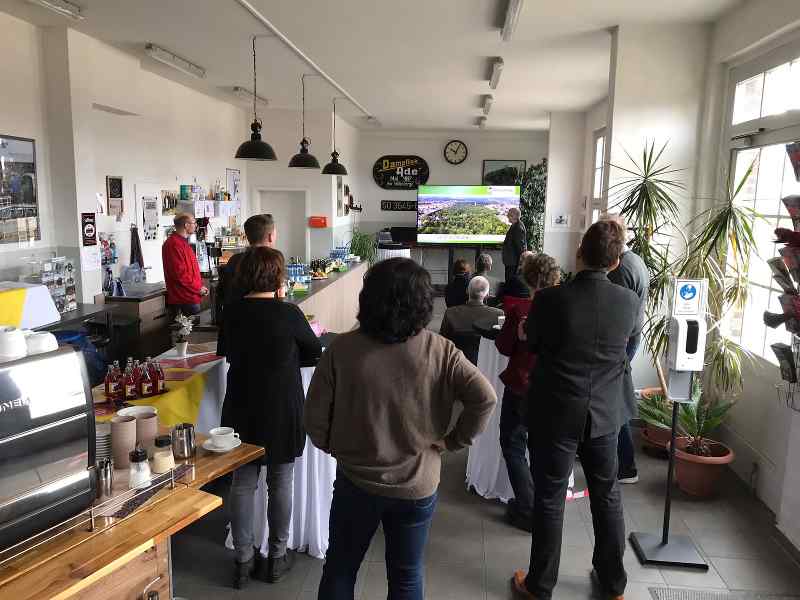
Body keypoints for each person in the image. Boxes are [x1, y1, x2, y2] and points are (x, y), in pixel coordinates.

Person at [305, 257, 497, 600]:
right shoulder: (441, 350)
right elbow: (485, 398)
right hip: (417, 484)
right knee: (406, 576)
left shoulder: (342, 350)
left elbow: (314, 419)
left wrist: (336, 446)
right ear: (423, 303)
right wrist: (453, 441)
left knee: (340, 570)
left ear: (368, 299)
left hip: (356, 481)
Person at [512, 220, 638, 600]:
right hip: (605, 414)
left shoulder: (551, 299)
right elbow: (625, 348)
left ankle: (540, 585)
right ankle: (613, 584)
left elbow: (534, 344)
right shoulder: (629, 302)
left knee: (550, 497)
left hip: (556, 411)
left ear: (579, 252)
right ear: (615, 262)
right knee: (607, 495)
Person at [222, 247, 322, 589]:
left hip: (241, 406)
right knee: (281, 481)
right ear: (278, 277)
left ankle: (243, 560)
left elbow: (227, 353)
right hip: (281, 406)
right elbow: (313, 351)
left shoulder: (232, 312)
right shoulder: (289, 313)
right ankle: (277, 557)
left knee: (242, 483)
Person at [495, 253, 560, 532]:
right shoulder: (567, 308)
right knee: (543, 448)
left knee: (512, 444)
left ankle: (527, 507)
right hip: (555, 389)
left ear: (528, 278)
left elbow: (504, 346)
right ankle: (543, 507)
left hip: (521, 386)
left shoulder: (520, 309)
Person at [604, 214, 649, 485]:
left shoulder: (621, 269)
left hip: (622, 342)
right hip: (630, 338)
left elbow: (616, 315)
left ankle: (626, 466)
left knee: (615, 403)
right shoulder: (637, 260)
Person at [215, 214, 276, 357]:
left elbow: (223, 291)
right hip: (261, 327)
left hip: (233, 326)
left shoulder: (234, 260)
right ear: (270, 236)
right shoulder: (271, 260)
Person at [440, 276, 503, 364]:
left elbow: (442, 341)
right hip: (487, 364)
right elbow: (502, 343)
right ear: (487, 294)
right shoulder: (499, 314)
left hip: (457, 362)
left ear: (467, 291)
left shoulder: (450, 312)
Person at [162, 213, 208, 317]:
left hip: (191, 296)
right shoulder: (173, 244)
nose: (196, 225)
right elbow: (180, 275)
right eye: (194, 223)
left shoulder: (183, 243)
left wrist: (200, 286)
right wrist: (198, 288)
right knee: (189, 327)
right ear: (186, 225)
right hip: (184, 299)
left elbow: (190, 271)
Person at [502, 207, 527, 283]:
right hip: (511, 262)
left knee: (510, 283)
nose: (507, 216)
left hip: (513, 263)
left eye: (509, 214)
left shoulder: (518, 228)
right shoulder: (515, 225)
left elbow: (520, 247)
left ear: (515, 216)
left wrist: (521, 263)